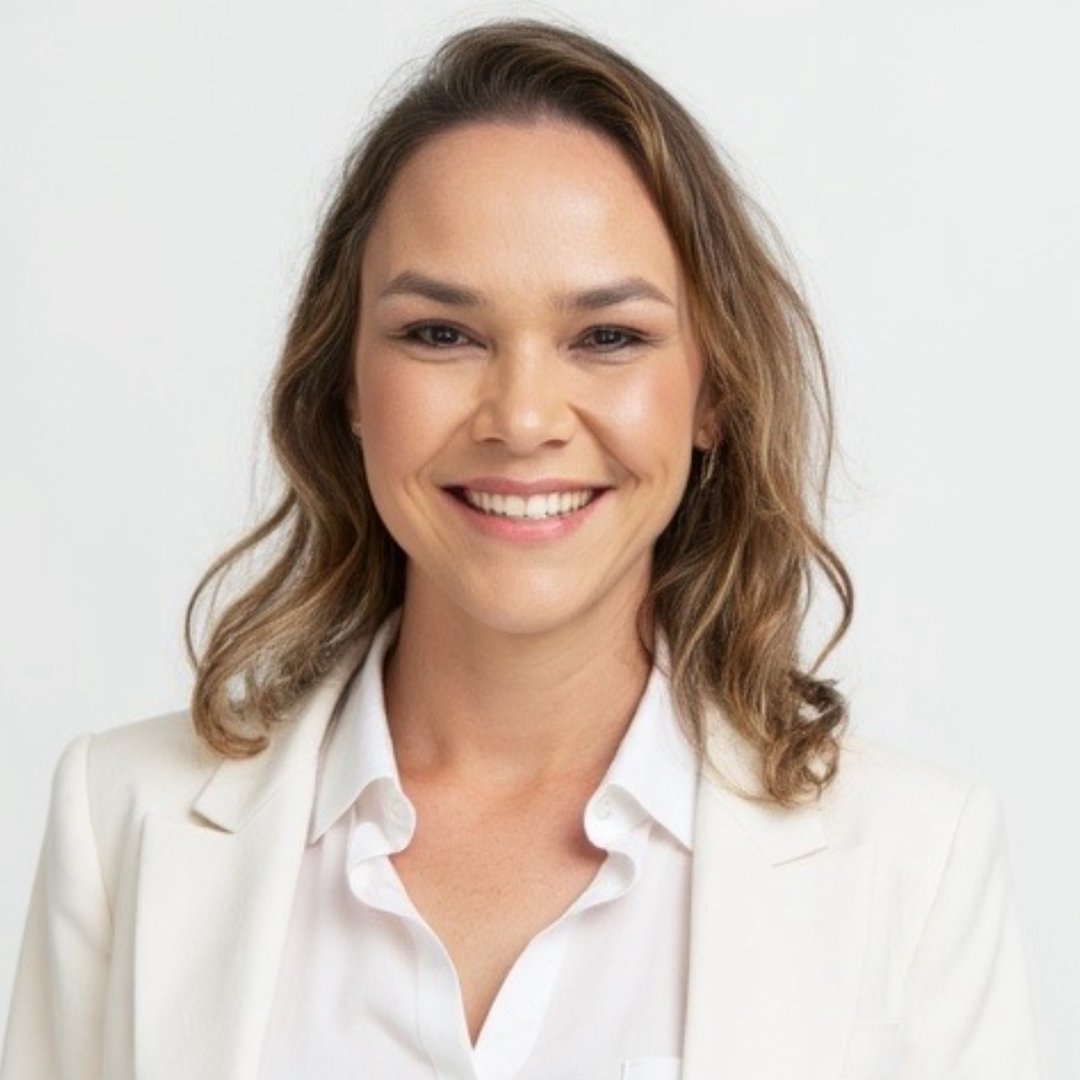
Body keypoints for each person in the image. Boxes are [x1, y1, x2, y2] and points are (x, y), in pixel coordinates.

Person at [1, 18, 1040, 1080]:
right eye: (442, 334)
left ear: (714, 395)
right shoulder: (121, 819)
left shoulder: (917, 863)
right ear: (347, 383)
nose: (524, 417)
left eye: (609, 337)